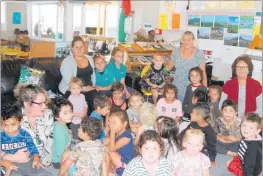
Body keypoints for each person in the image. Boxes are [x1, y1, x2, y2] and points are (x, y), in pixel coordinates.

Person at [13, 84, 55, 174]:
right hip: (18, 160)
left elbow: (49, 141)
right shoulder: (13, 118)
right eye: (40, 104)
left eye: (45, 102)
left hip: (39, 160)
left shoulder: (48, 114)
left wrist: (44, 161)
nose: (44, 106)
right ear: (26, 103)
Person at [1, 104, 50, 176]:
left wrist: (36, 158)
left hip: (28, 162)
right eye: (5, 125)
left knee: (44, 173)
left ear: (20, 122)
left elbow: (33, 148)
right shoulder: (1, 137)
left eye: (13, 124)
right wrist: (6, 163)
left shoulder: (25, 134)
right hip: (11, 164)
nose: (9, 129)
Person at [59, 36, 98, 113]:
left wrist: (93, 86)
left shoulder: (90, 58)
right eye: (77, 47)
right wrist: (83, 88)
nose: (79, 49)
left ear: (84, 47)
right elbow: (69, 82)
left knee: (97, 99)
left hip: (89, 88)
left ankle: (93, 121)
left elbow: (93, 75)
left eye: (81, 47)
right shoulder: (67, 61)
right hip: (72, 89)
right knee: (80, 100)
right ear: (72, 48)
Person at [166, 31, 207, 102]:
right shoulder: (176, 51)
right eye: (184, 39)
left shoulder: (199, 53)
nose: (186, 42)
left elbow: (203, 71)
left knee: (190, 110)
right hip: (177, 86)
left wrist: (205, 87)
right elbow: (168, 67)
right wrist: (155, 70)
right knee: (177, 109)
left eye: (189, 40)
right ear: (181, 41)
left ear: (193, 41)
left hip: (193, 87)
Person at [180, 102, 217, 166]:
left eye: (192, 113)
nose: (190, 114)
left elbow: (212, 146)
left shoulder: (209, 131)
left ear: (199, 117)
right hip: (190, 144)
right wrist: (178, 139)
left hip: (201, 148)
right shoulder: (193, 123)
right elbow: (183, 133)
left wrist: (212, 160)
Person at [104, 108, 134, 175]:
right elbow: (103, 142)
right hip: (115, 162)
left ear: (124, 124)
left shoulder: (127, 137)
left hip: (125, 165)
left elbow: (112, 149)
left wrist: (112, 132)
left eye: (114, 122)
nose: (111, 125)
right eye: (110, 122)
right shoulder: (113, 131)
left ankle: (109, 172)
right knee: (104, 147)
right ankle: (109, 172)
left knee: (107, 149)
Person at [51, 97, 73, 169]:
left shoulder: (60, 123)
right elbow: (60, 154)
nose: (70, 115)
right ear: (56, 116)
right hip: (58, 161)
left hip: (64, 152)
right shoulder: (59, 131)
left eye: (70, 111)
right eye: (65, 113)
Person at [68, 77, 87, 144]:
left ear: (81, 88)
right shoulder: (70, 99)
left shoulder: (82, 96)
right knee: (75, 136)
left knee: (82, 134)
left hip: (82, 120)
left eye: (78, 88)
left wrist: (85, 111)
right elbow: (69, 112)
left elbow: (85, 105)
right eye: (73, 88)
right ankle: (74, 146)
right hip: (74, 121)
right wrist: (78, 115)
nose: (76, 90)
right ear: (70, 89)